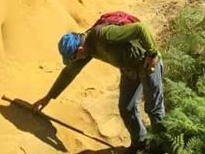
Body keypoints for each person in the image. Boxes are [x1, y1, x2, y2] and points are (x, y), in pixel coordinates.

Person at [33, 20, 164, 154]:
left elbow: (140, 29)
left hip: (148, 64)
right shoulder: (86, 51)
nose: (75, 61)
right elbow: (68, 73)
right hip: (129, 70)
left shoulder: (103, 35)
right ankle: (140, 144)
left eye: (73, 58)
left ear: (79, 49)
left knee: (154, 108)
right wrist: (48, 97)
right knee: (127, 108)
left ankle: (161, 147)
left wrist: (152, 53)